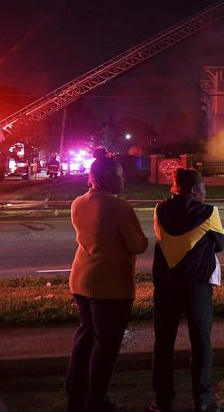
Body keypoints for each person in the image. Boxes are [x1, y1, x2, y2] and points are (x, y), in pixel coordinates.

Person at [66, 155, 148, 412]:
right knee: (106, 346)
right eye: (120, 174)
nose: (124, 178)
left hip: (81, 280)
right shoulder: (119, 207)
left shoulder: (78, 203)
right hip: (110, 286)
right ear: (110, 177)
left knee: (85, 340)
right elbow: (138, 244)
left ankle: (75, 397)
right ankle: (97, 400)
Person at [151, 168, 224, 412]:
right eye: (203, 189)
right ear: (194, 190)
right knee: (201, 342)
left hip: (166, 286)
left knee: (163, 343)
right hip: (197, 287)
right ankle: (202, 400)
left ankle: (163, 400)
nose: (206, 193)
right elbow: (220, 244)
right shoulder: (209, 212)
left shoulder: (160, 209)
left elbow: (162, 239)